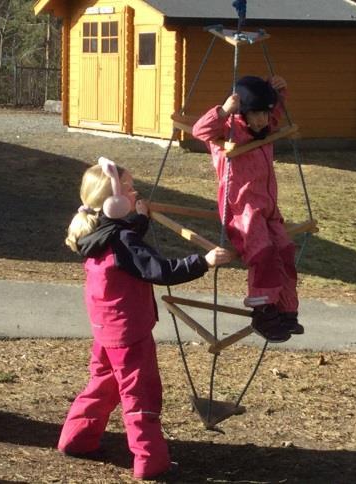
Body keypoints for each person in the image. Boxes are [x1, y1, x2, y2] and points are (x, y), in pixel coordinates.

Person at [58, 157, 232, 480]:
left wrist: (139, 217)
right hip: (130, 334)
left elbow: (127, 238)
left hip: (105, 332)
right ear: (112, 202)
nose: (135, 191)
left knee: (103, 385)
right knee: (141, 396)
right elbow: (159, 270)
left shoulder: (94, 232)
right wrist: (204, 261)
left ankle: (76, 438)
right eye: (128, 188)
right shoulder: (123, 242)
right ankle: (151, 463)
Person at [192, 75, 304, 343]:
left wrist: (278, 90)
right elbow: (199, 130)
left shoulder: (264, 128)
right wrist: (223, 111)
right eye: (256, 115)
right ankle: (263, 312)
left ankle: (285, 309)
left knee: (285, 252)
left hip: (268, 208)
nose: (262, 121)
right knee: (263, 255)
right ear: (243, 113)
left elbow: (274, 110)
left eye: (265, 114)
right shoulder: (229, 132)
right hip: (242, 210)